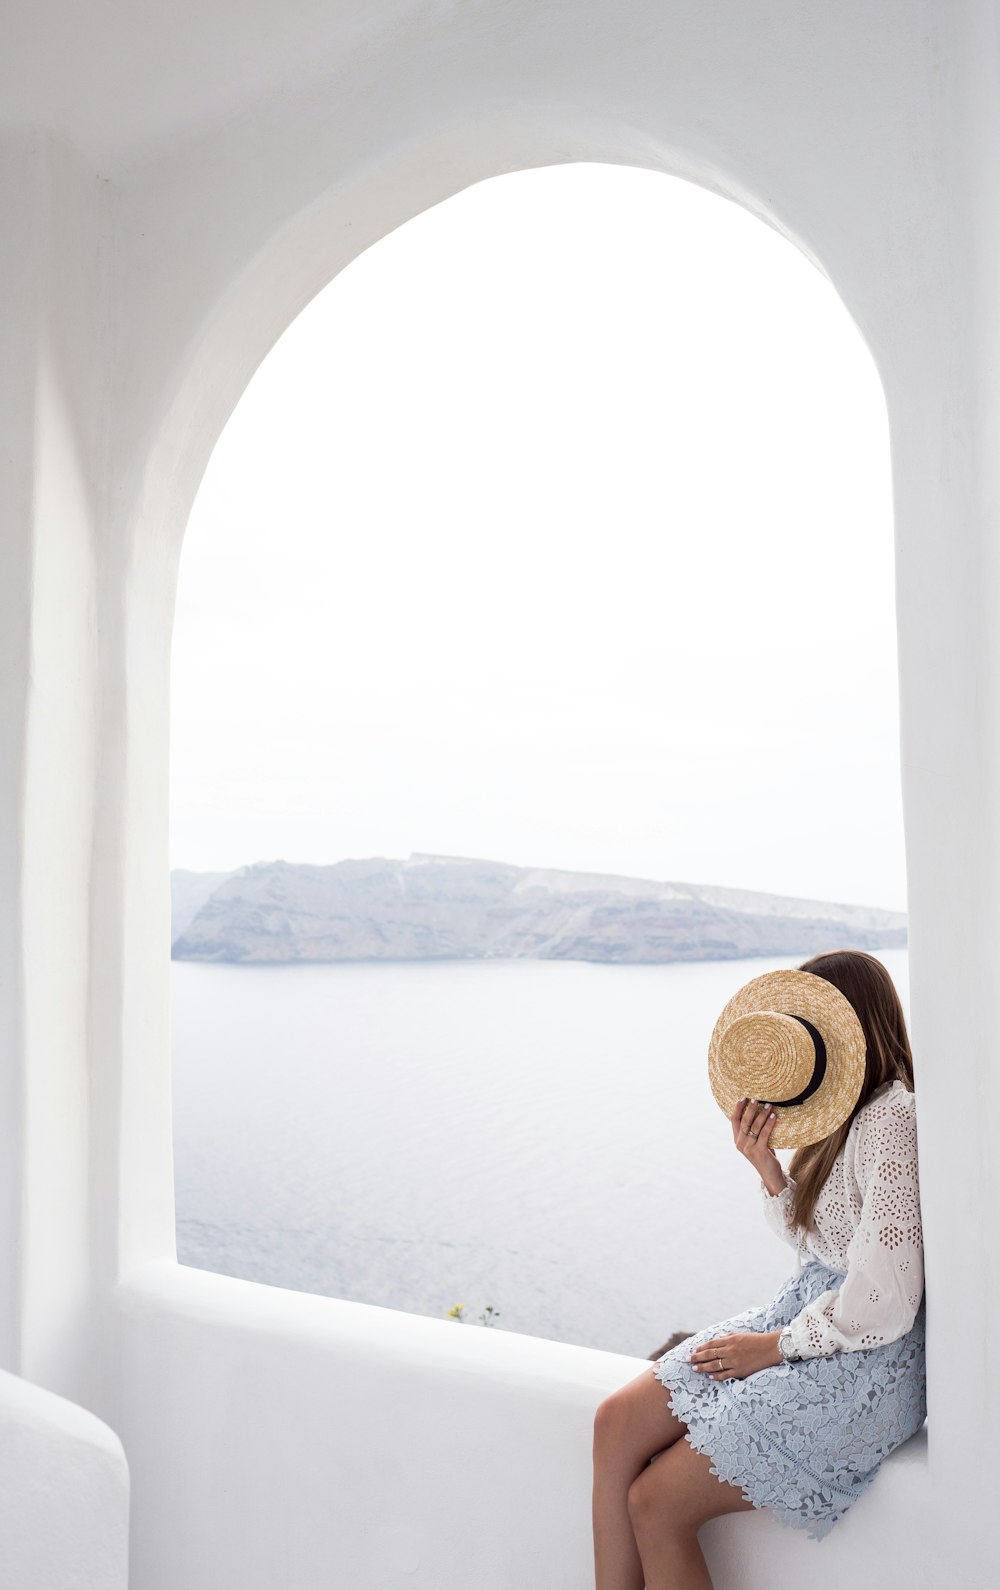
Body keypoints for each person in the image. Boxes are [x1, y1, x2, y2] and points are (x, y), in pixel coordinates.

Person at [592, 949, 926, 1590]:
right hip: (810, 1323)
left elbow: (884, 1297)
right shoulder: (845, 1116)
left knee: (655, 1504)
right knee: (616, 1424)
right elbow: (822, 1247)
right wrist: (769, 1167)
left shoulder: (891, 1119)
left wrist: (769, 1349)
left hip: (863, 1358)